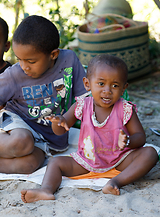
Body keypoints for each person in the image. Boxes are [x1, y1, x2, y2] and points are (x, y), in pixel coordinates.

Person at [21, 54, 158, 203]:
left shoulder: (125, 109)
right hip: (86, 162)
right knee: (55, 162)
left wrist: (128, 141)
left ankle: (115, 182)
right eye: (101, 84)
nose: (107, 90)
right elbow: (60, 130)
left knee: (150, 153)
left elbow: (140, 137)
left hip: (120, 161)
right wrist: (58, 121)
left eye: (115, 85)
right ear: (87, 84)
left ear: (124, 87)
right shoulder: (82, 104)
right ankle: (46, 190)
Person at [0, 15, 87, 174]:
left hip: (48, 137)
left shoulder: (69, 61)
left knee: (30, 165)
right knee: (22, 142)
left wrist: (66, 118)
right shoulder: (15, 74)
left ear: (53, 55)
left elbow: (84, 99)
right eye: (19, 59)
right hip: (18, 124)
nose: (24, 67)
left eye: (31, 61)